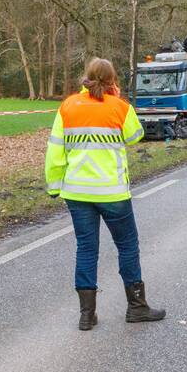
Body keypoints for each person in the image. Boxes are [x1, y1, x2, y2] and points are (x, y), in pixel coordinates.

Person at [45, 58, 166, 331]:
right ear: (112, 80)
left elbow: (55, 151)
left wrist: (54, 186)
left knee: (86, 249)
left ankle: (86, 315)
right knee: (127, 247)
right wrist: (116, 100)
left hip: (77, 192)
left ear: (86, 77)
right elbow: (136, 135)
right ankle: (136, 307)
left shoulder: (68, 106)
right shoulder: (120, 108)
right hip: (112, 193)